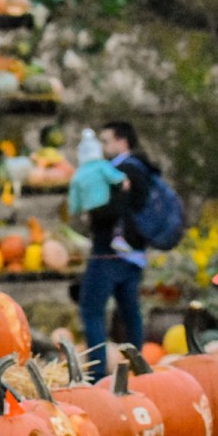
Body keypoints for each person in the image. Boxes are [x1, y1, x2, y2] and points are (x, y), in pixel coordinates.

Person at [77, 120, 155, 380]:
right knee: (129, 311)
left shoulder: (118, 171)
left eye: (107, 140)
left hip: (108, 252)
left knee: (91, 310)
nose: (103, 146)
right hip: (135, 254)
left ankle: (97, 373)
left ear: (122, 141)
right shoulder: (142, 168)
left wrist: (89, 208)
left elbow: (109, 210)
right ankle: (139, 368)